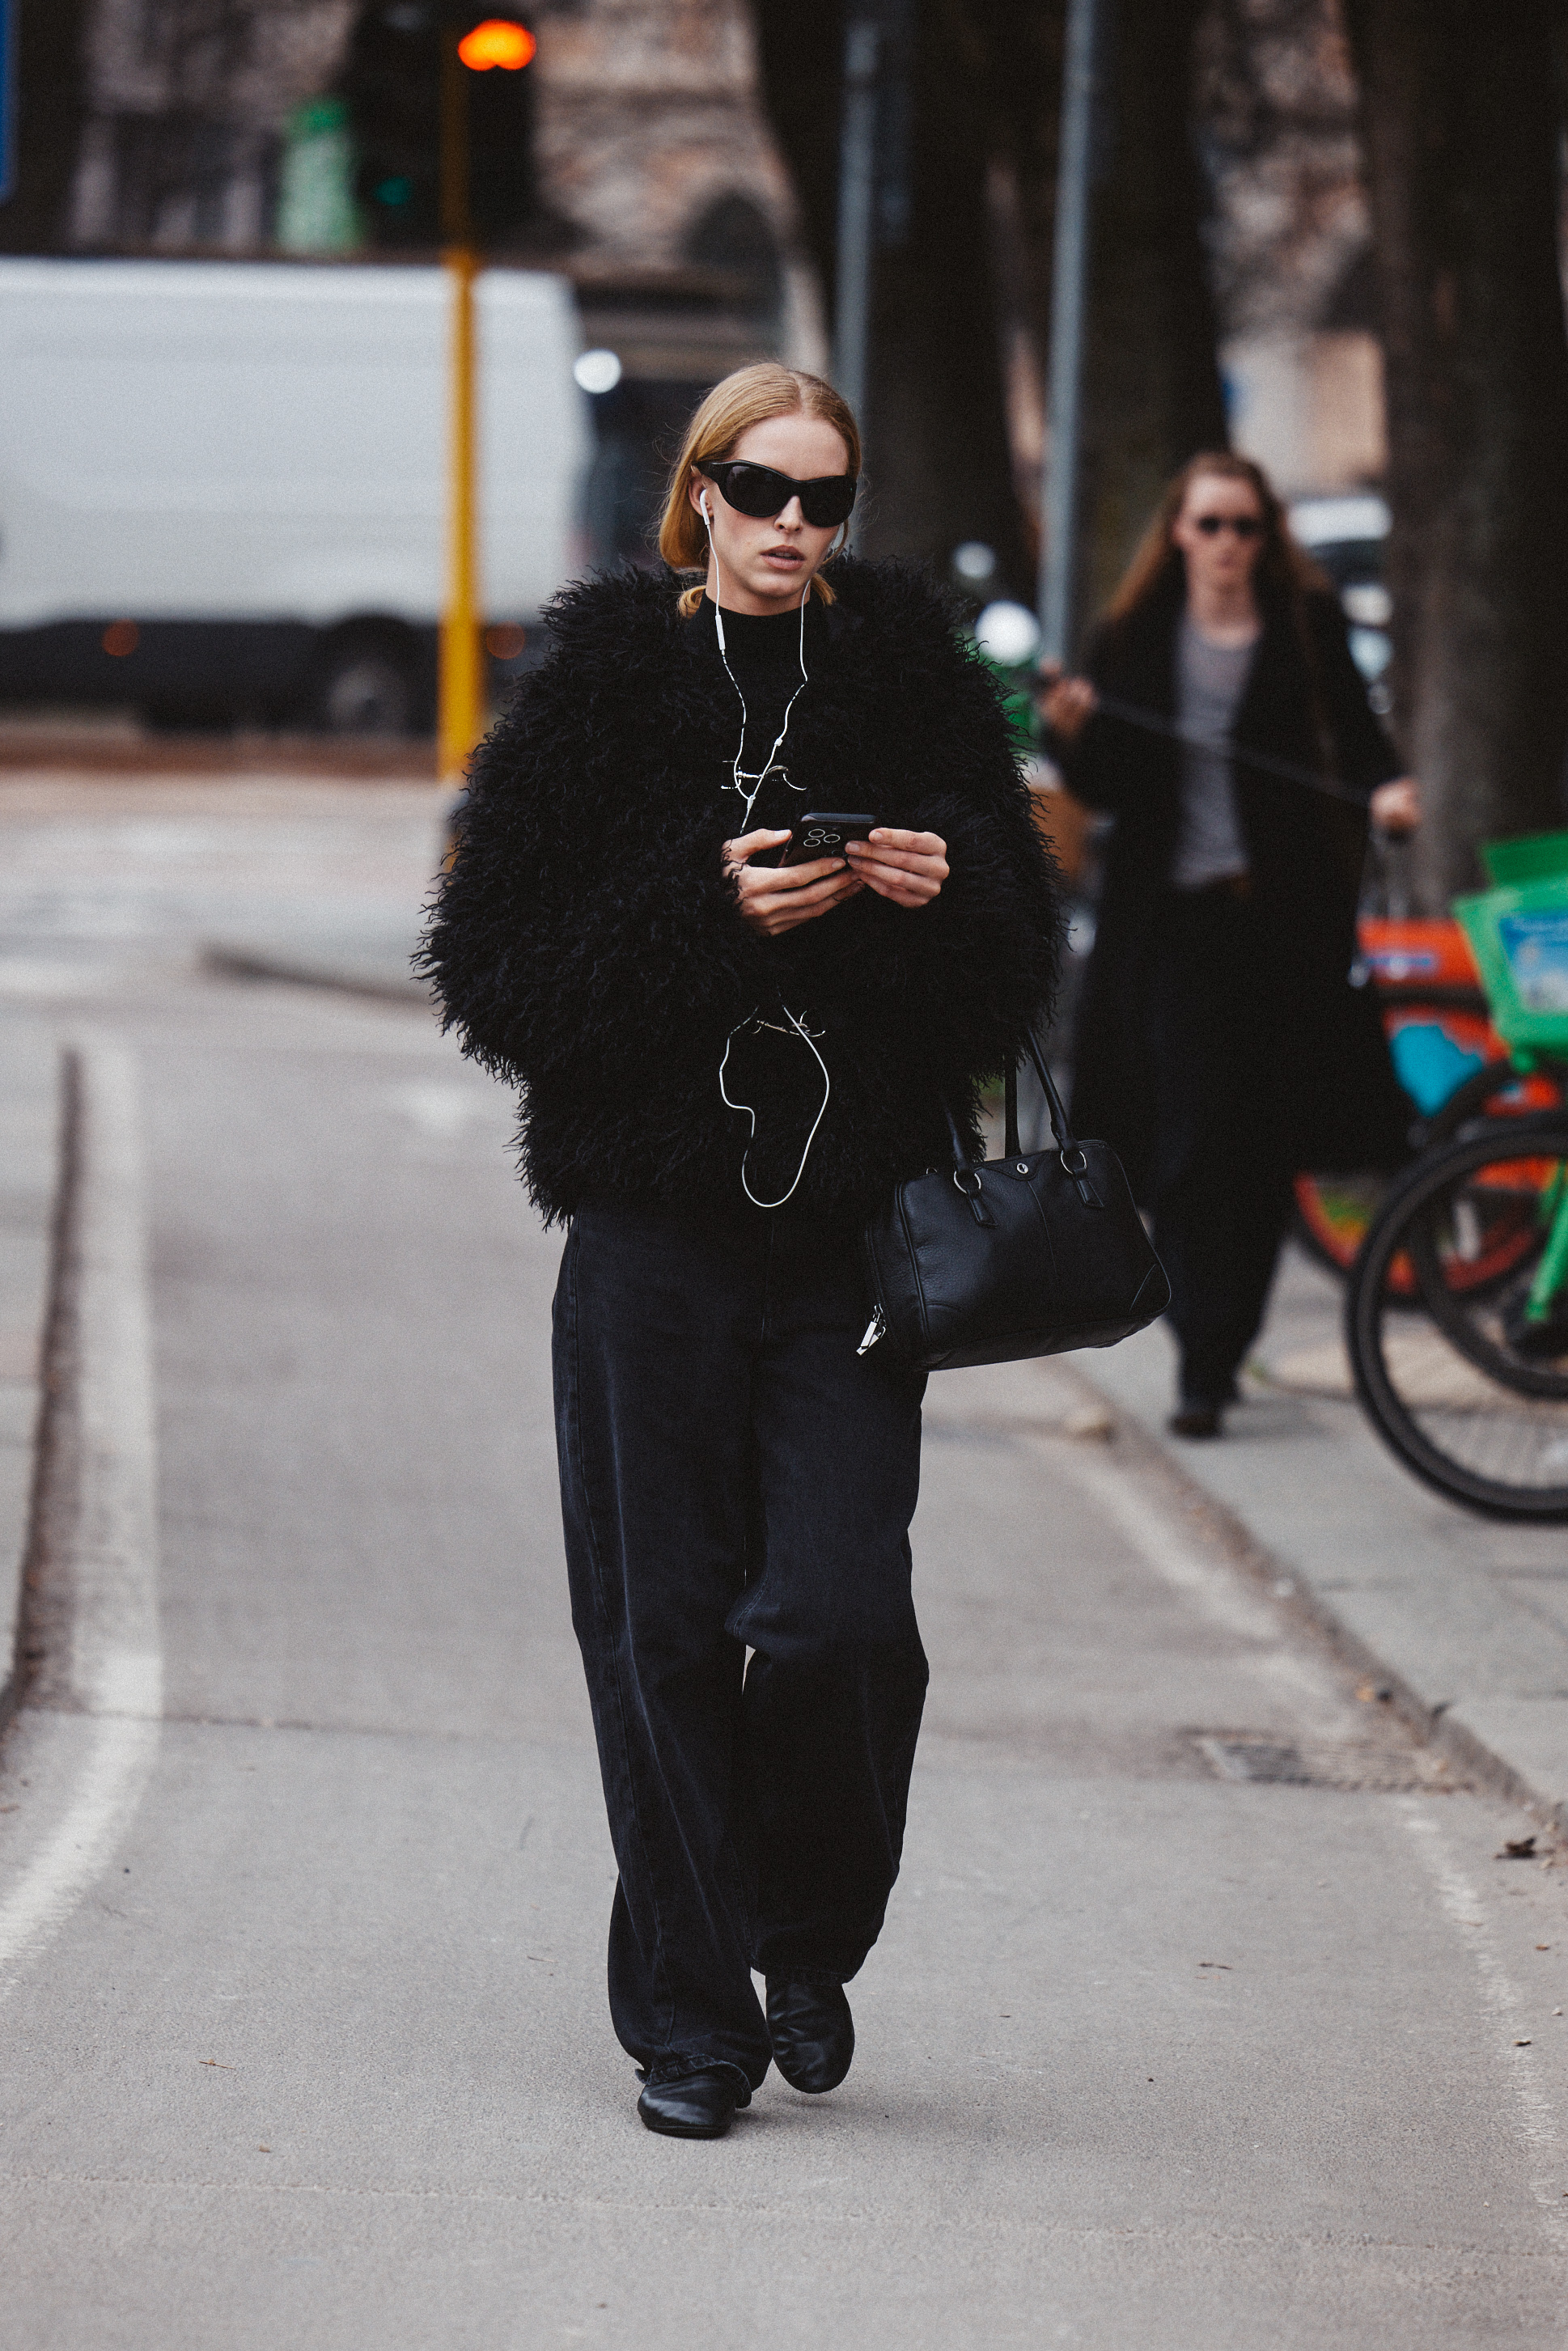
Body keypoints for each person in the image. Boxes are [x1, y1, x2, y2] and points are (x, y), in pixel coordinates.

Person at [422, 363, 1059, 2139]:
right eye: (764, 491)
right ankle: (692, 2027)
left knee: (845, 1619)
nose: (796, 528)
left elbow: (1016, 975)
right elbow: (490, 973)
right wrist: (707, 913)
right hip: (654, 1239)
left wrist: (948, 903)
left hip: (855, 1241)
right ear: (698, 492)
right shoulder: (607, 686)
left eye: (827, 500)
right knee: (667, 1635)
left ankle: (802, 1935)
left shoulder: (912, 682)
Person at [1041, 451, 1419, 1439]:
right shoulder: (1133, 635)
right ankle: (1201, 1349)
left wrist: (1387, 791)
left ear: (1267, 536)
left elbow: (1355, 730)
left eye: (1245, 526)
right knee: (1192, 1133)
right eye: (1209, 524)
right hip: (1173, 924)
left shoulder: (1306, 624)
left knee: (1263, 1142)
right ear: (1177, 531)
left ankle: (1220, 1341)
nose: (1226, 545)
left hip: (1284, 919)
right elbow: (1109, 782)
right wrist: (1071, 732)